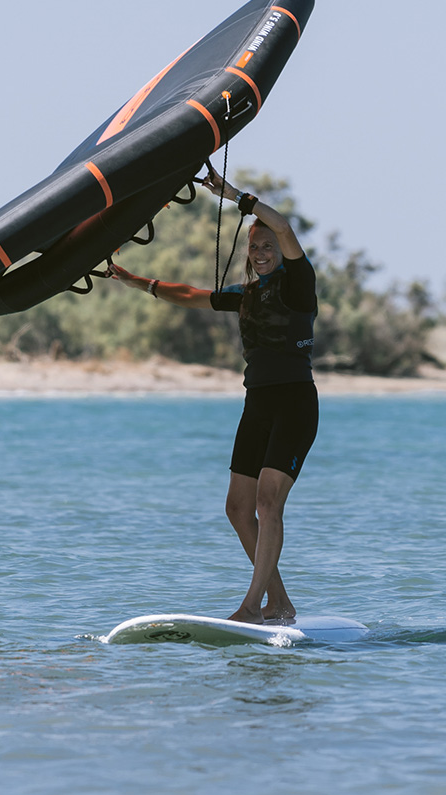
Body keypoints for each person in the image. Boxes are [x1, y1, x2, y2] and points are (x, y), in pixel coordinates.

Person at [109, 166, 318, 625]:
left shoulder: (300, 285)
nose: (262, 252)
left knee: (268, 501)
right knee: (238, 507)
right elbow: (192, 294)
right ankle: (279, 603)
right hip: (257, 405)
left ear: (280, 254)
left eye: (268, 247)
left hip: (295, 404)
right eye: (255, 247)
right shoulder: (245, 295)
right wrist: (136, 282)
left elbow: (281, 225)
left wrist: (235, 198)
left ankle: (251, 607)